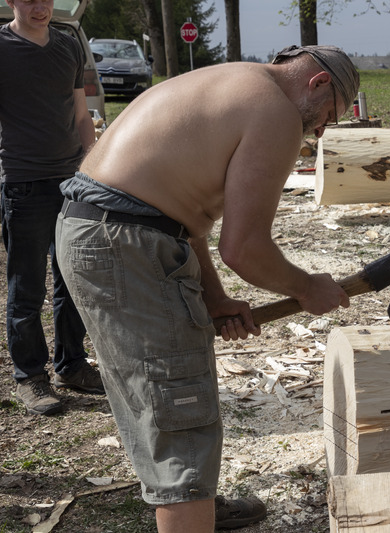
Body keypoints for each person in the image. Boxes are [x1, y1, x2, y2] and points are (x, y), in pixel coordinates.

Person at [55, 45, 359, 532]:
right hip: (125, 243)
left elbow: (181, 216)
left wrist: (214, 299)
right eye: (328, 116)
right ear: (318, 82)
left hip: (104, 230)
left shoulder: (233, 81)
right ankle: (185, 506)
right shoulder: (276, 112)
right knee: (178, 406)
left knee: (158, 394)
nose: (320, 130)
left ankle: (192, 505)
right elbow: (245, 248)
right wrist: (307, 287)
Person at [0, 0, 103, 417]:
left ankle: (71, 365)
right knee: (26, 288)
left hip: (71, 180)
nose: (40, 6)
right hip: (22, 182)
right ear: (11, 1)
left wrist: (93, 162)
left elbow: (81, 112)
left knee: (73, 279)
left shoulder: (68, 47)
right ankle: (30, 377)